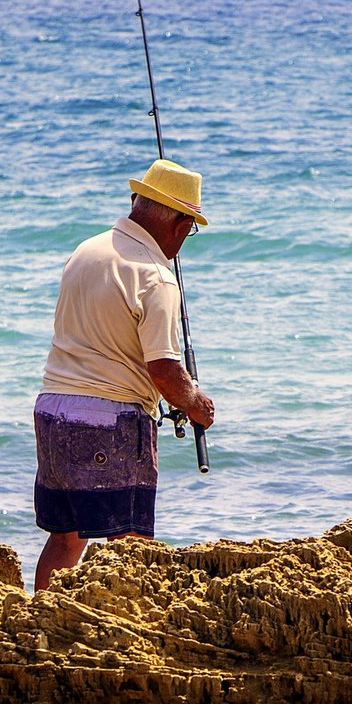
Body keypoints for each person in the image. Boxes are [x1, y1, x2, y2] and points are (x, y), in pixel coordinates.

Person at [32, 159, 216, 592]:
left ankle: (39, 618)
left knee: (65, 537)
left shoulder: (87, 250)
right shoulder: (155, 277)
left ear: (138, 203)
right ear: (177, 223)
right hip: (108, 423)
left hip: (52, 409)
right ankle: (125, 635)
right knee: (130, 541)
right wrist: (195, 404)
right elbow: (165, 371)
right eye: (189, 229)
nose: (184, 240)